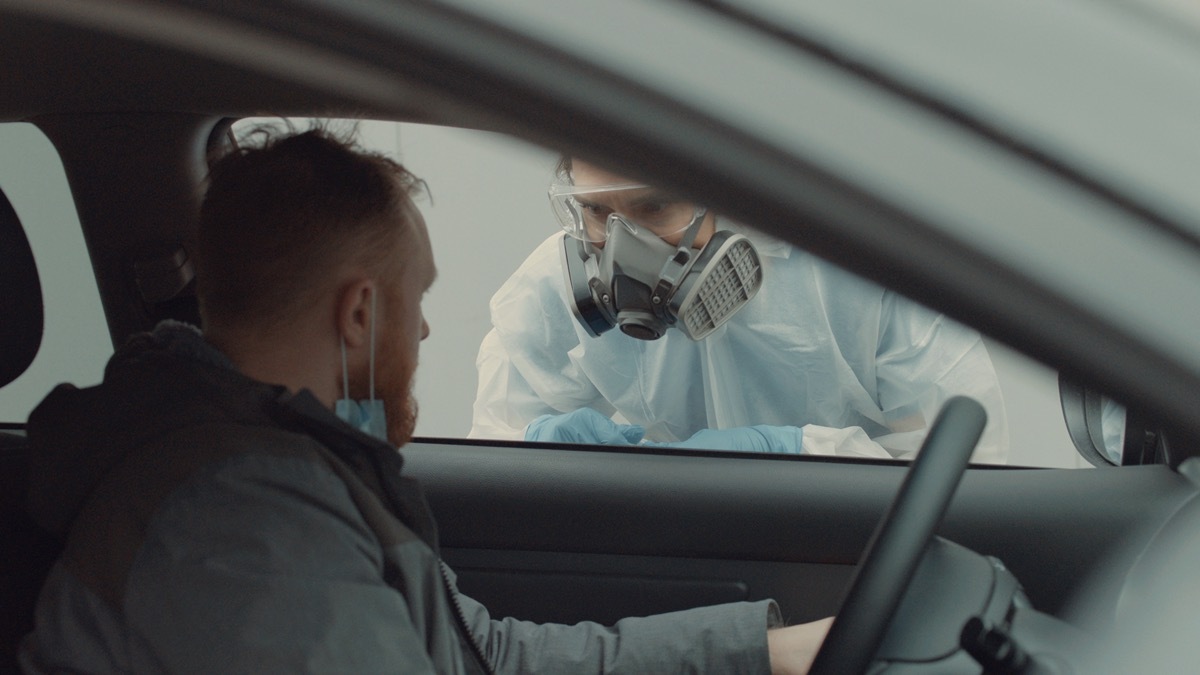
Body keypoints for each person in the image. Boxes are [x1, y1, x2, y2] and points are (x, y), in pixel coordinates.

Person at [18, 126, 830, 673]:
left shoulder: (275, 483)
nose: (430, 329)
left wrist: (771, 651)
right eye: (419, 299)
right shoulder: (237, 525)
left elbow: (484, 654)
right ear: (361, 313)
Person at [470, 158, 1009, 462]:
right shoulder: (553, 281)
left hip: (843, 549)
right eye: (593, 210)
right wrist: (540, 452)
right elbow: (490, 450)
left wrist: (806, 455)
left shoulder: (865, 270)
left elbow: (968, 470)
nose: (618, 246)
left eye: (654, 206)